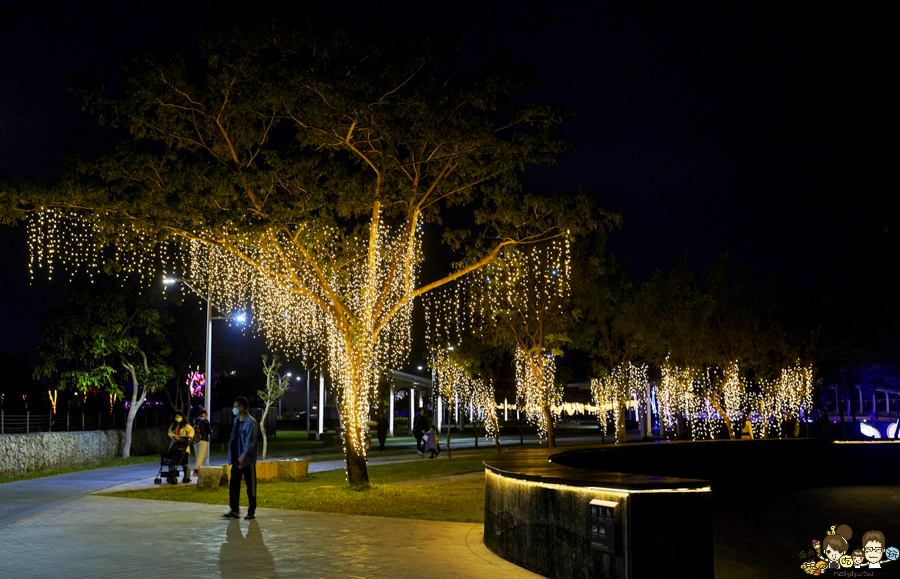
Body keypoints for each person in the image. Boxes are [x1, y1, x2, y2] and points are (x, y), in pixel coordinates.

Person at [223, 396, 259, 520]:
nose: (234, 409)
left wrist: (244, 456)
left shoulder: (251, 422)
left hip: (247, 460)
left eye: (236, 407)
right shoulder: (236, 421)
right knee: (233, 485)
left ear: (242, 408)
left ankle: (251, 511)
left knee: (250, 486)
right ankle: (234, 510)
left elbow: (251, 442)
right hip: (236, 459)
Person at [167, 411, 194, 483]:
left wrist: (189, 436)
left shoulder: (186, 426)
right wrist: (174, 436)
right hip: (175, 445)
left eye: (179, 417)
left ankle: (187, 476)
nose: (177, 418)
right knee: (173, 461)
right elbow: (169, 433)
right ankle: (172, 476)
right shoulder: (173, 425)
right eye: (176, 417)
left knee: (185, 462)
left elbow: (191, 431)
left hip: (184, 445)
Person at [192, 410, 211, 476]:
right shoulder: (205, 421)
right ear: (204, 414)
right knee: (201, 455)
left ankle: (199, 469)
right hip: (203, 439)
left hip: (195, 440)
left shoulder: (194, 420)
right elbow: (209, 431)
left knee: (198, 455)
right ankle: (196, 470)